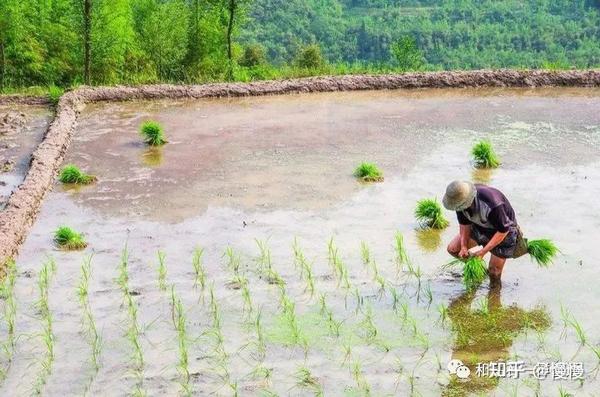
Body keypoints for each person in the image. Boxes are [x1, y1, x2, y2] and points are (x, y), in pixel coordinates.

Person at [443, 180, 527, 282]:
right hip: (479, 226)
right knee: (453, 249)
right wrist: (464, 246)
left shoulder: (493, 204)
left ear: (468, 200)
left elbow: (503, 231)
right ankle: (478, 270)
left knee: (494, 272)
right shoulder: (459, 203)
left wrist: (483, 252)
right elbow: (464, 224)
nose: (458, 208)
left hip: (504, 232)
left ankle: (494, 294)